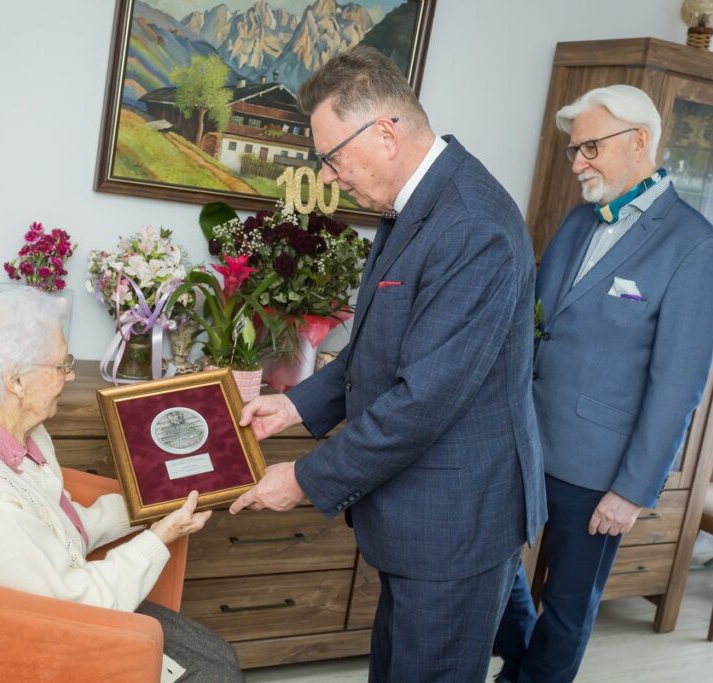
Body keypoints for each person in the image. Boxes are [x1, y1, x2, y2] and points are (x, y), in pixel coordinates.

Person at [228, 45, 546, 682]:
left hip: (455, 518)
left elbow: (421, 400)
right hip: (417, 513)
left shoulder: (472, 224)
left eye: (331, 157)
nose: (329, 176)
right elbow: (377, 350)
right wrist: (294, 405)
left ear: (384, 133)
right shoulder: (416, 203)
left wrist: (305, 479)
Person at [494, 84, 713, 682]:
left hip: (602, 470)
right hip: (524, 437)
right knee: (491, 568)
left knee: (569, 608)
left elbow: (678, 383)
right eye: (574, 150)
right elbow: (537, 326)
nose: (577, 164)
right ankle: (521, 665)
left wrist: (633, 489)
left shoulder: (696, 246)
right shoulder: (575, 221)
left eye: (589, 147)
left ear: (639, 141)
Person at [0, 288, 241, 683]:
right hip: (20, 640)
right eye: (61, 365)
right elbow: (79, 604)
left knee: (217, 655)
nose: (70, 375)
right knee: (216, 673)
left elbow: (66, 527)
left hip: (46, 596)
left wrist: (153, 498)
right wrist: (161, 536)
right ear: (17, 381)